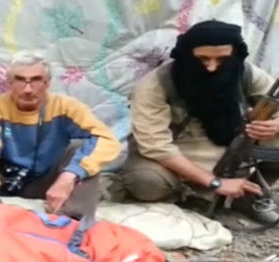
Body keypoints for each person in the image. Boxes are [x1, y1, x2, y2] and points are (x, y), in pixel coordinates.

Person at [110, 20, 279, 224]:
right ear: (187, 53)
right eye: (203, 58)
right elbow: (156, 146)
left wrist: (276, 124)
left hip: (232, 152)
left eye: (222, 59)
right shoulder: (156, 84)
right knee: (145, 182)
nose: (211, 67)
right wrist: (216, 182)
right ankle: (189, 196)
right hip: (176, 158)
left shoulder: (245, 73)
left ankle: (246, 196)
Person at [0, 51, 121, 218]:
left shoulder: (66, 106)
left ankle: (73, 221)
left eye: (36, 80)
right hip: (2, 178)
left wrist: (69, 176)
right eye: (20, 80)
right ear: (9, 83)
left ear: (47, 83)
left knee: (83, 152)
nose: (28, 89)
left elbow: (106, 139)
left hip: (46, 181)